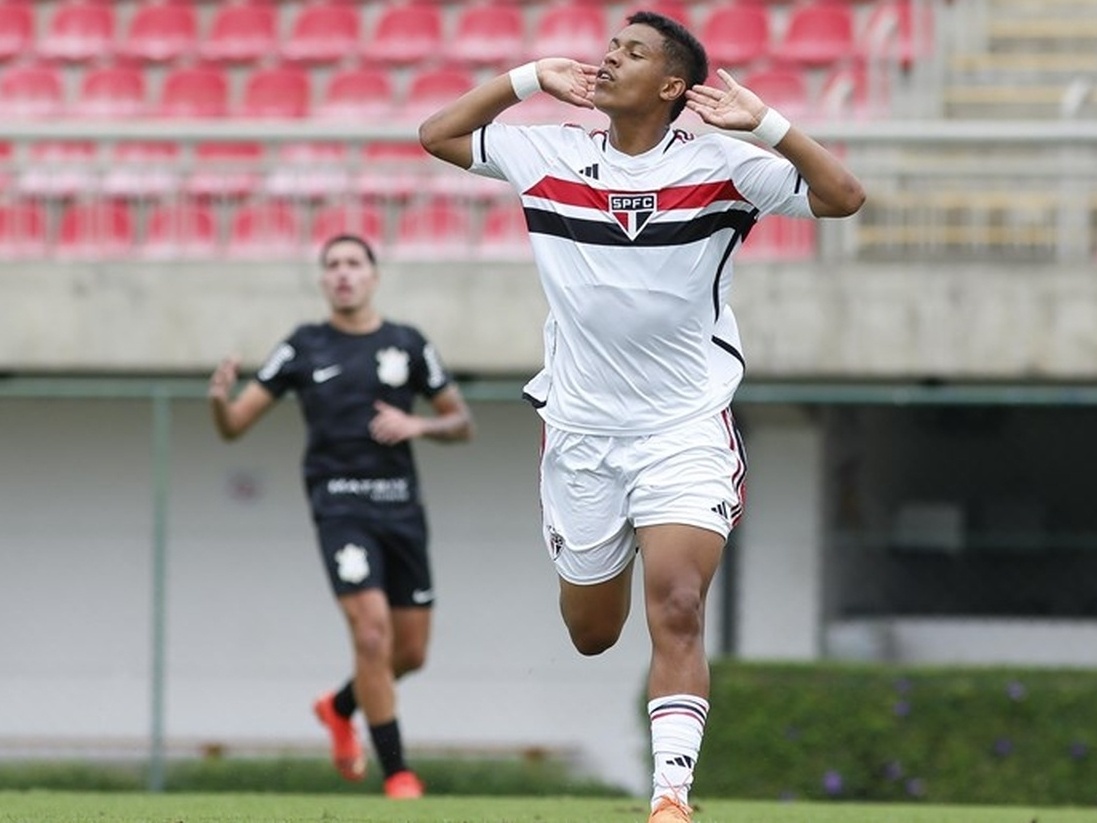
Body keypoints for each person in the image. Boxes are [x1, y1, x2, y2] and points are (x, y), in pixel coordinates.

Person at [420, 11, 864, 822]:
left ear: (670, 85)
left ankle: (670, 797)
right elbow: (436, 134)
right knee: (592, 631)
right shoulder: (545, 148)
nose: (606, 58)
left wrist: (767, 124)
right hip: (583, 433)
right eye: (608, 46)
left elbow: (842, 196)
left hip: (683, 428)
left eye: (630, 51)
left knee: (678, 603)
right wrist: (525, 80)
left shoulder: (727, 163)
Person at [208, 233, 474, 799]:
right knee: (371, 635)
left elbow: (461, 423)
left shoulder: (408, 343)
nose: (343, 274)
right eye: (332, 265)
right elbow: (234, 426)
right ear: (323, 279)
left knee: (409, 654)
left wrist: (419, 425)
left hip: (401, 510)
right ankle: (399, 772)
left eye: (354, 264)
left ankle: (339, 706)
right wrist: (217, 402)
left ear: (373, 276)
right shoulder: (304, 346)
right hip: (340, 509)